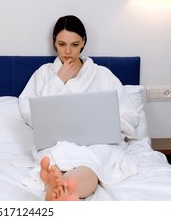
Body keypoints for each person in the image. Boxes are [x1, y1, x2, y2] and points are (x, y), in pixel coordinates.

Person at [18, 15, 140, 201]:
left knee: (91, 162)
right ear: (54, 43)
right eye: (62, 44)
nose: (68, 51)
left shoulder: (102, 75)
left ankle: (62, 190)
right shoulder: (43, 74)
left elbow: (129, 116)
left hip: (95, 143)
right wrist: (58, 80)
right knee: (55, 157)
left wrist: (101, 124)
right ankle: (58, 184)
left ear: (83, 42)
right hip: (57, 141)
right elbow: (30, 112)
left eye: (74, 45)